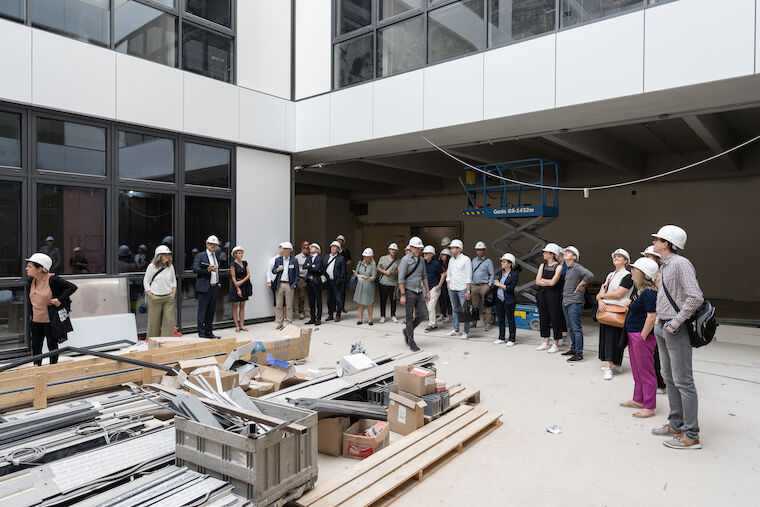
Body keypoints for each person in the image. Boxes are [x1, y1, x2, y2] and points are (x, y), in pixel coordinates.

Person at [651, 225, 703, 449]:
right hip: (662, 326)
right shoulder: (665, 265)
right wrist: (658, 322)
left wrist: (676, 321)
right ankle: (676, 423)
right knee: (669, 377)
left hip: (675, 328)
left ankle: (691, 435)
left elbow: (695, 297)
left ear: (666, 243)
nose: (653, 242)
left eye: (657, 239)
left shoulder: (681, 263)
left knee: (683, 381)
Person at [620, 257, 660, 418]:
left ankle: (649, 406)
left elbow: (652, 316)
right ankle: (638, 399)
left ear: (643, 274)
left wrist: (642, 337)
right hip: (634, 334)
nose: (632, 272)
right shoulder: (640, 292)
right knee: (637, 371)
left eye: (635, 270)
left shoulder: (649, 293)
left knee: (646, 372)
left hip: (641, 337)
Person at [25, 253, 77, 366]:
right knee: (36, 347)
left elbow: (72, 287)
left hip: (50, 321)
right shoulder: (31, 281)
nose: (26, 269)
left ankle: (52, 369)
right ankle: (37, 369)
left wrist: (60, 299)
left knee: (52, 346)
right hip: (36, 320)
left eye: (30, 266)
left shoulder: (53, 280)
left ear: (39, 268)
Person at [596, 249, 634, 380]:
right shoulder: (610, 275)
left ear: (626, 261)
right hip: (606, 308)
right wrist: (600, 300)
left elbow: (619, 293)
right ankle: (614, 364)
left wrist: (601, 297)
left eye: (620, 256)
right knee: (606, 336)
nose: (616, 258)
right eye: (615, 256)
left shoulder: (628, 276)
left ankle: (609, 367)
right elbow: (602, 289)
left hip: (617, 310)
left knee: (613, 337)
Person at [640, 245, 667, 394]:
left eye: (648, 257)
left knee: (657, 353)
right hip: (648, 315)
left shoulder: (659, 275)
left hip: (657, 317)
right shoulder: (646, 275)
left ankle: (660, 383)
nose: (645, 259)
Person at [560, 246, 593, 362]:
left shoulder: (576, 267)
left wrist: (581, 284)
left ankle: (579, 353)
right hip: (566, 301)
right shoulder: (568, 268)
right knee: (570, 327)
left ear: (574, 257)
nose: (566, 253)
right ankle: (574, 349)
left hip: (575, 302)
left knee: (576, 328)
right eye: (565, 252)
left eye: (569, 252)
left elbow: (590, 275)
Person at [398, 237, 430, 352]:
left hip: (419, 291)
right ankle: (412, 342)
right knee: (409, 317)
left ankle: (407, 330)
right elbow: (401, 279)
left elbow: (424, 276)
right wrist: (402, 294)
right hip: (408, 291)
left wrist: (428, 291)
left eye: (419, 248)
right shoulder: (405, 260)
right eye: (416, 248)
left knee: (422, 314)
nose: (418, 250)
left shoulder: (421, 260)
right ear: (411, 248)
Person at [535, 243, 564, 353]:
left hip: (553, 295)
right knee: (543, 317)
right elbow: (537, 281)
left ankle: (555, 343)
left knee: (555, 318)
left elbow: (553, 282)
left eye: (546, 252)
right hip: (542, 294)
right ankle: (545, 341)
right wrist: (546, 281)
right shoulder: (542, 265)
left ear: (552, 254)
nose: (543, 254)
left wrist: (543, 281)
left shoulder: (559, 266)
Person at [143, 245, 177, 338]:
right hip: (155, 297)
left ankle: (167, 341)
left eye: (168, 254)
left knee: (168, 321)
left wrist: (173, 292)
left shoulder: (170, 267)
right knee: (154, 322)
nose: (167, 256)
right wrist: (150, 294)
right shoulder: (152, 267)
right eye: (165, 254)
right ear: (159, 256)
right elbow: (146, 280)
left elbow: (174, 280)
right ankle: (153, 341)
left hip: (168, 297)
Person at [192, 235, 222, 338]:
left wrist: (218, 282)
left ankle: (209, 332)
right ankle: (202, 334)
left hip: (214, 287)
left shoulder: (216, 256)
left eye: (215, 244)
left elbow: (218, 271)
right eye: (211, 244)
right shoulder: (200, 256)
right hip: (204, 287)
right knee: (202, 312)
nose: (213, 246)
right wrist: (207, 270)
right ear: (206, 244)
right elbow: (195, 269)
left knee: (211, 311)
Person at [446, 239, 473, 339]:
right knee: (455, 309)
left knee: (465, 310)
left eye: (453, 248)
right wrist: (448, 283)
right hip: (452, 288)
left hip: (462, 289)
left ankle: (466, 331)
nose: (451, 250)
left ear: (459, 249)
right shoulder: (451, 260)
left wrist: (468, 290)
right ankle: (456, 329)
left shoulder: (466, 259)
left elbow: (469, 276)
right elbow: (449, 273)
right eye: (451, 248)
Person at [493, 253, 519, 346]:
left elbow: (511, 288)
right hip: (499, 299)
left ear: (509, 264)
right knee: (500, 319)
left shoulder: (514, 274)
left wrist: (499, 284)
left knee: (510, 319)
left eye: (504, 262)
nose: (502, 263)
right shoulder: (500, 273)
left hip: (509, 299)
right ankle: (501, 337)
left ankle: (512, 339)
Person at [272, 241, 299, 330]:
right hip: (280, 284)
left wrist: (294, 284)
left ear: (290, 250)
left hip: (289, 285)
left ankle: (289, 323)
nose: (284, 250)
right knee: (279, 305)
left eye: (286, 249)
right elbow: (273, 271)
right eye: (283, 249)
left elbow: (296, 274)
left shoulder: (294, 260)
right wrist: (277, 269)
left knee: (289, 305)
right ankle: (280, 323)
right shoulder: (278, 260)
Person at [470, 241, 495, 331]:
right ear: (476, 251)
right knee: (474, 306)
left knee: (487, 306)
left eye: (481, 250)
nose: (480, 252)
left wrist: (489, 285)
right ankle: (473, 322)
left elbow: (492, 274)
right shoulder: (473, 260)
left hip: (484, 286)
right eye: (478, 250)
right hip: (474, 285)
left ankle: (487, 323)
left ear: (484, 251)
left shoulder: (488, 261)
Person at [229, 245, 252, 333]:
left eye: (241, 253)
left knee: (242, 306)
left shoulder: (245, 263)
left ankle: (242, 325)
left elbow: (248, 275)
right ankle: (237, 326)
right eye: (239, 253)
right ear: (235, 254)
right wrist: (238, 288)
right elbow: (233, 278)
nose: (241, 254)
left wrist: (241, 282)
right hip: (236, 286)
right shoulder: (233, 264)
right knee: (235, 306)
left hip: (244, 285)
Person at [377, 243, 400, 324]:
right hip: (383, 282)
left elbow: (399, 272)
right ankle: (382, 316)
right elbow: (378, 268)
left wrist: (395, 272)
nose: (393, 251)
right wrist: (385, 272)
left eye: (395, 250)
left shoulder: (398, 261)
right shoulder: (383, 258)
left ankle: (393, 315)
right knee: (383, 300)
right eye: (392, 249)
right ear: (389, 250)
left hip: (393, 283)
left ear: (396, 251)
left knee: (393, 300)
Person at [324, 241, 347, 322]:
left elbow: (343, 272)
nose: (333, 248)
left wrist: (340, 281)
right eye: (332, 247)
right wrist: (324, 280)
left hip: (337, 281)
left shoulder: (341, 258)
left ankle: (338, 315)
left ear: (338, 249)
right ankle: (330, 314)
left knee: (338, 299)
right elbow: (323, 270)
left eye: (335, 247)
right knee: (329, 299)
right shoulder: (326, 257)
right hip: (328, 282)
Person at [353, 248, 377, 325]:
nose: (365, 258)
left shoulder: (373, 266)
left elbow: (374, 277)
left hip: (369, 286)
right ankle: (360, 319)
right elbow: (357, 272)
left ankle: (370, 320)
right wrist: (355, 275)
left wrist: (368, 278)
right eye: (364, 256)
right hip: (360, 285)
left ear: (370, 257)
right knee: (360, 303)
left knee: (369, 303)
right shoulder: (360, 263)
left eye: (367, 256)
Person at [423, 245, 444, 332]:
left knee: (431, 306)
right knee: (429, 306)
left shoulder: (436, 264)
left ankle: (431, 324)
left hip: (434, 288)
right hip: (426, 288)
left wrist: (439, 286)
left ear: (432, 254)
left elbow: (443, 274)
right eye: (424, 253)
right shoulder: (423, 263)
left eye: (427, 253)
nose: (424, 255)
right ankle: (433, 323)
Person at [304, 243, 324, 325]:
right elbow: (304, 266)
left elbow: (317, 268)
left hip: (316, 281)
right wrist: (312, 266)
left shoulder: (319, 258)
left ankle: (318, 318)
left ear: (317, 250)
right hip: (309, 281)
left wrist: (310, 266)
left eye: (313, 247)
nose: (311, 248)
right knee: (311, 300)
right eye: (310, 247)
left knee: (318, 300)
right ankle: (312, 318)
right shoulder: (308, 258)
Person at [295, 241, 310, 319]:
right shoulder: (297, 257)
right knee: (301, 296)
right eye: (306, 249)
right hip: (301, 279)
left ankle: (312, 310)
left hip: (310, 278)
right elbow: (295, 269)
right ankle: (301, 312)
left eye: (308, 249)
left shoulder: (310, 256)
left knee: (311, 295)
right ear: (302, 249)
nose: (307, 250)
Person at [267, 244, 283, 312]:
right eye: (280, 248)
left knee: (284, 300)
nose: (281, 250)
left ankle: (285, 317)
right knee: (276, 299)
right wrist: (269, 281)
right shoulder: (273, 259)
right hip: (275, 281)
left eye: (282, 249)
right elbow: (269, 270)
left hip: (283, 281)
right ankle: (277, 317)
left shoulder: (286, 259)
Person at [438, 248, 452, 323]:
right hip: (441, 282)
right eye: (442, 255)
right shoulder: (439, 263)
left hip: (448, 282)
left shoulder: (451, 263)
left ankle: (449, 315)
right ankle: (442, 314)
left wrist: (444, 274)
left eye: (445, 255)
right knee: (441, 298)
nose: (443, 256)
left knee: (448, 299)